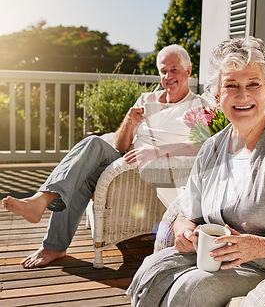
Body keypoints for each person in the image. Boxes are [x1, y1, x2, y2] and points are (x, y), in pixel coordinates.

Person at [126, 37, 265, 306]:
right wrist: (184, 231)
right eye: (231, 85)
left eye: (254, 84)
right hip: (215, 256)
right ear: (217, 96)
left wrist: (262, 246)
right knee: (152, 268)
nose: (243, 95)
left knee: (191, 290)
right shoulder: (212, 147)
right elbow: (185, 214)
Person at [2, 44, 208, 268]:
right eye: (163, 71)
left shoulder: (198, 107)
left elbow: (200, 146)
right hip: (122, 160)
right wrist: (128, 122)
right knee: (90, 148)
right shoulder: (146, 99)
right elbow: (120, 146)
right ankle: (50, 233)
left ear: (188, 71)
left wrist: (158, 151)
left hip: (149, 170)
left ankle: (49, 229)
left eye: (174, 70)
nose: (168, 76)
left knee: (83, 174)